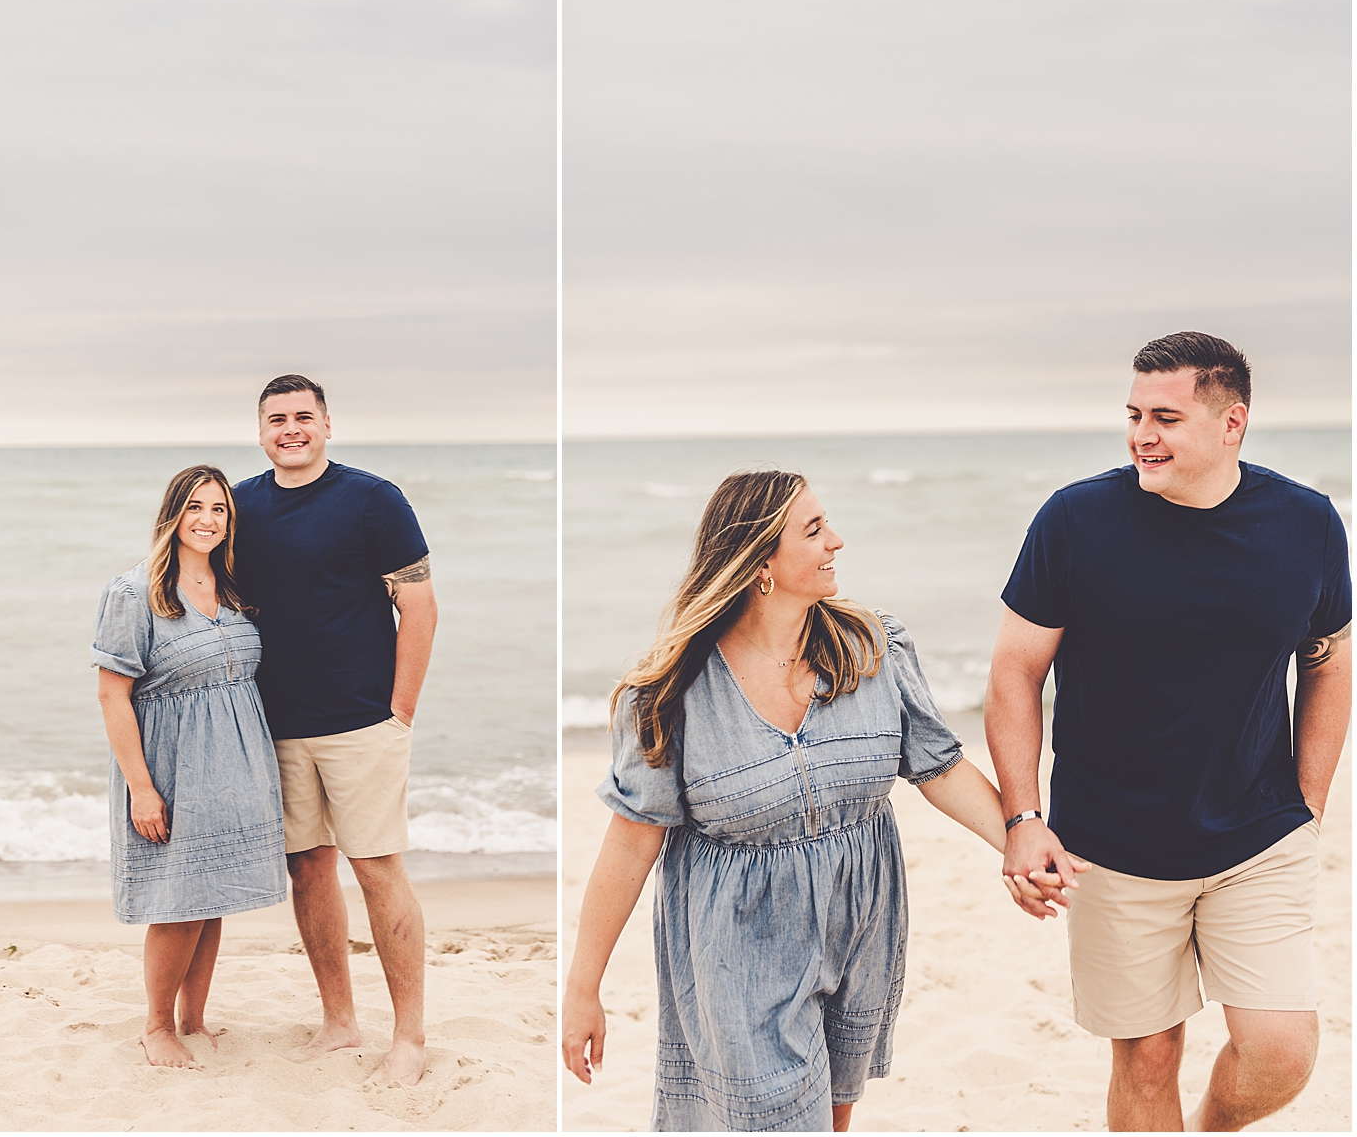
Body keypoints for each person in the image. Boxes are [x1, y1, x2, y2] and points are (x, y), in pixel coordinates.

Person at [561, 469, 1063, 1131]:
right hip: (741, 943)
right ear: (762, 559)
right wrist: (581, 988)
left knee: (832, 1114)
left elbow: (938, 768)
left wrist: (1022, 845)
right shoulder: (671, 693)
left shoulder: (869, 646)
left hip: (862, 927)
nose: (838, 542)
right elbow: (630, 842)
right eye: (815, 529)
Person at [986, 332, 1351, 1131]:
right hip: (1111, 845)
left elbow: (1328, 662)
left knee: (1282, 1050)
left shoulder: (1308, 525)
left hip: (1259, 835)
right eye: (1133, 414)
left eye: (1166, 416)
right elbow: (1016, 671)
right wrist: (1023, 818)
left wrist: (1309, 807)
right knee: (1148, 1060)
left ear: (1232, 424)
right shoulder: (1076, 519)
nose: (1141, 434)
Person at [232, 373, 439, 1087]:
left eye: (302, 416)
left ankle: (409, 1038)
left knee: (378, 868)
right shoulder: (240, 504)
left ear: (327, 424)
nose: (290, 428)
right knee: (308, 868)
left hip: (362, 721)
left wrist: (400, 708)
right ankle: (340, 1022)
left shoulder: (373, 499)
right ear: (260, 430)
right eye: (276, 418)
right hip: (276, 723)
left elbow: (419, 606)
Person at [92, 465, 288, 1068]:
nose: (207, 520)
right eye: (195, 507)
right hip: (172, 768)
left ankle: (194, 1020)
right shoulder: (135, 593)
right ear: (172, 515)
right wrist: (141, 790)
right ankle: (156, 1027)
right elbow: (112, 695)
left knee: (211, 896)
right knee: (178, 901)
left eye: (220, 510)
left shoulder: (232, 591)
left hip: (235, 766)